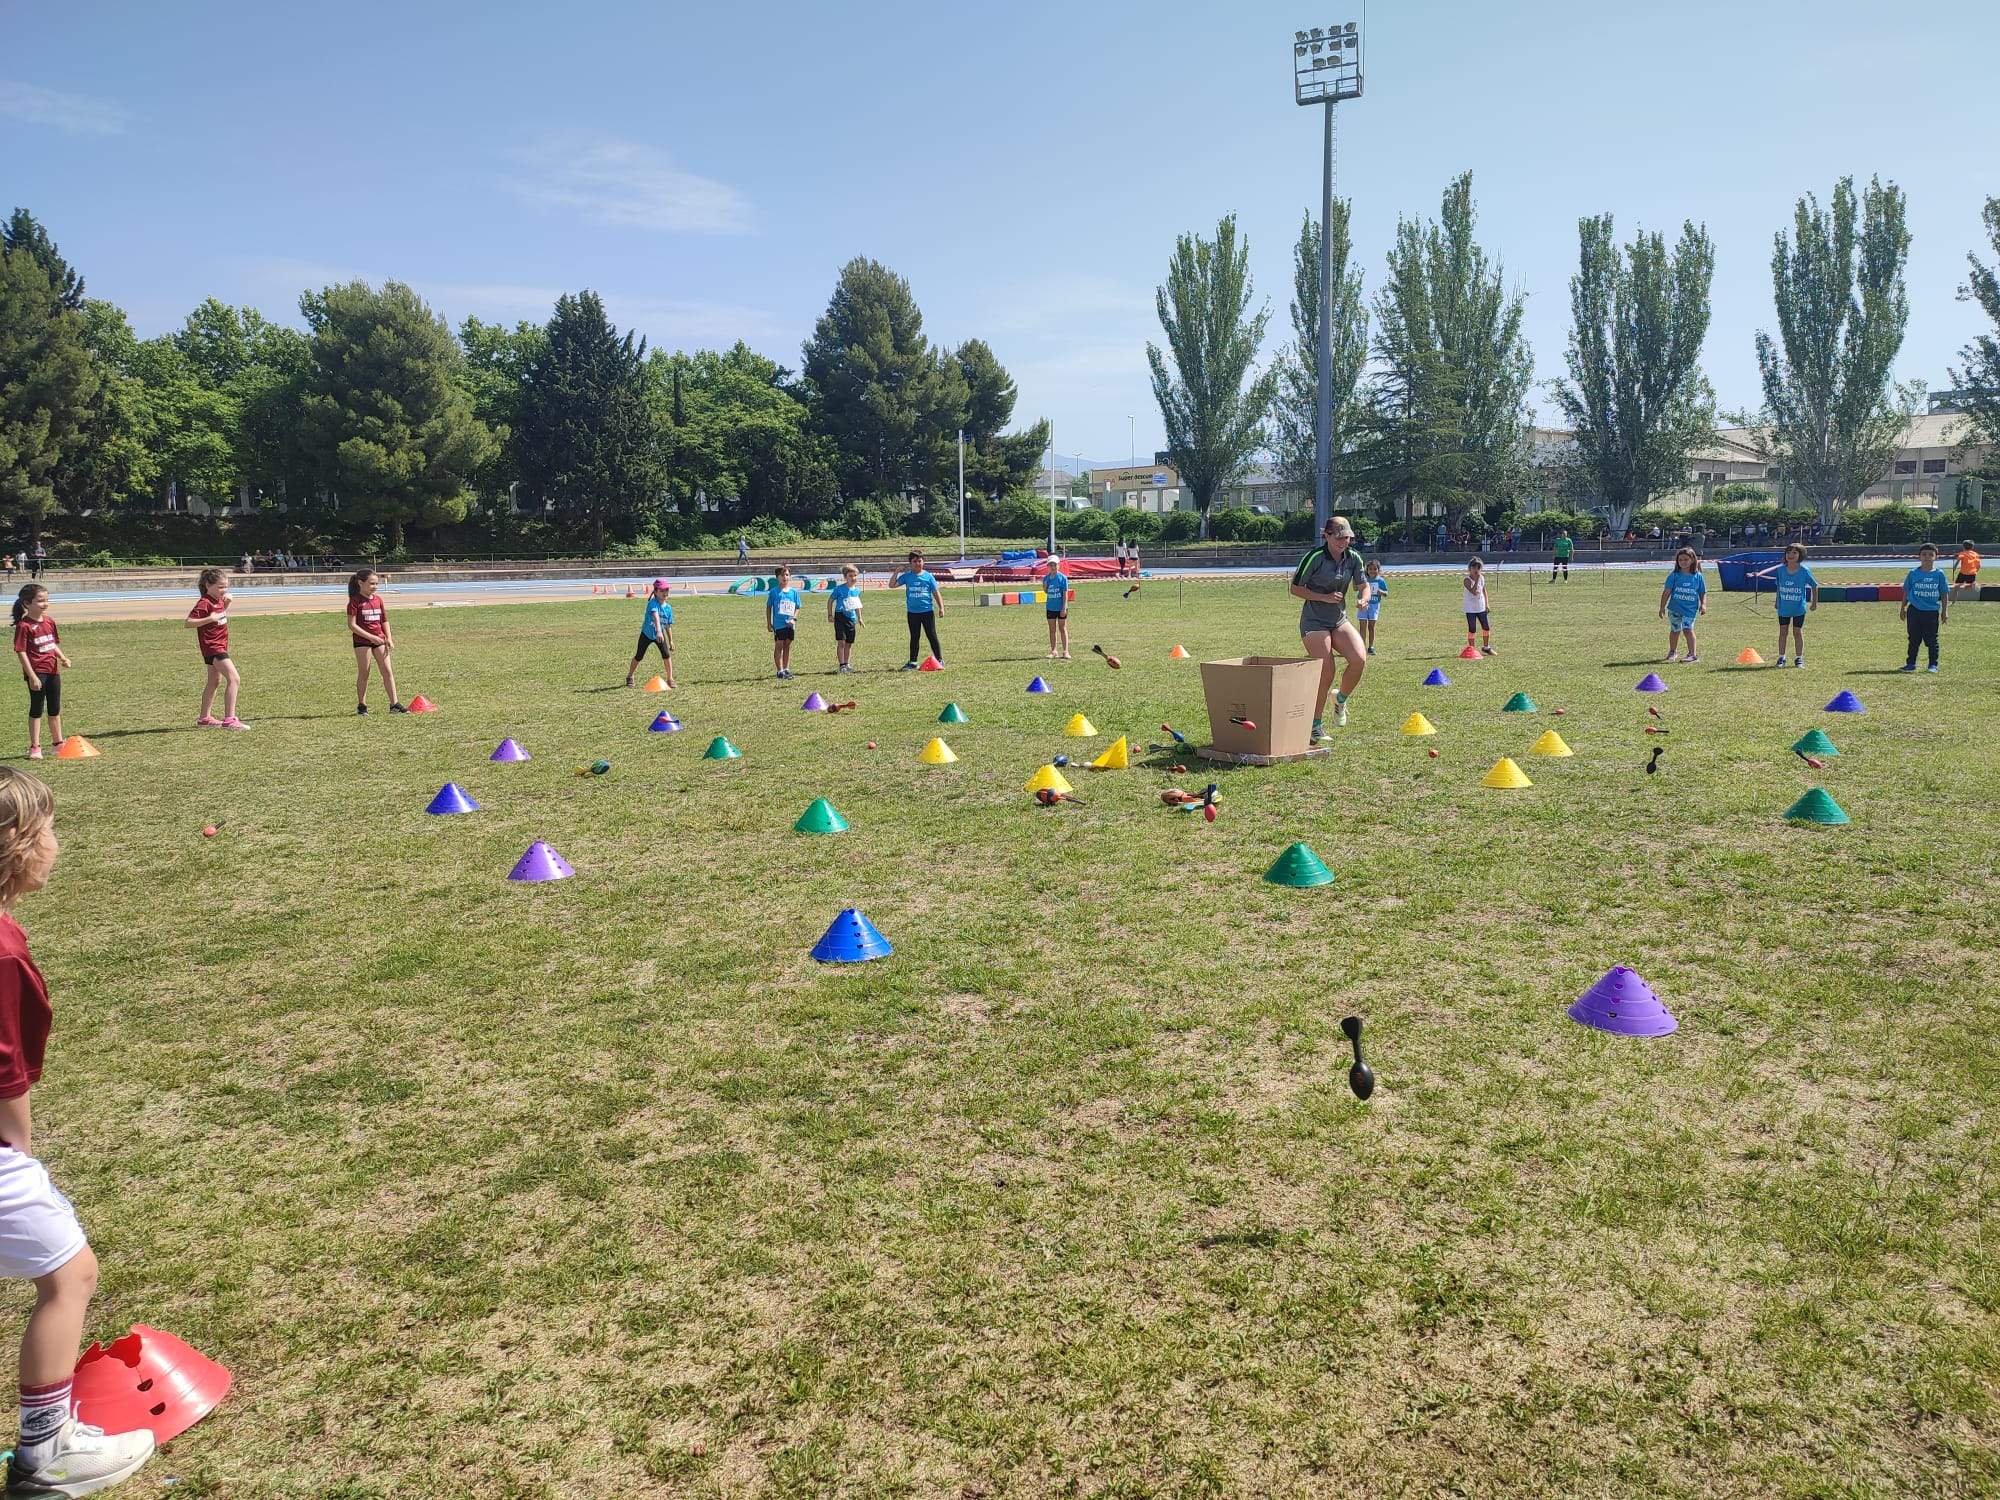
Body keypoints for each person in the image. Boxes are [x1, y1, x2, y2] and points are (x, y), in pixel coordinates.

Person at [0, 768, 158, 1496]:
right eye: (53, 830)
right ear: (21, 847)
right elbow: (5, 1076)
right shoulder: (2, 951)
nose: (59, 845)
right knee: (71, 1274)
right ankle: (47, 1449)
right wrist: (19, 1152)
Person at [1289, 515, 1372, 741]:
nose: (1343, 542)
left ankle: (1340, 700)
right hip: (1314, 622)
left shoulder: (1353, 558)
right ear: (1326, 535)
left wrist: (1364, 598)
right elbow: (1295, 589)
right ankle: (1314, 726)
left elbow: (1364, 586)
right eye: (1339, 537)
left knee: (1359, 659)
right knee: (1327, 671)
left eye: (1347, 538)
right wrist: (1322, 597)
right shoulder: (1314, 557)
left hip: (1338, 619)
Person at [10, 588, 70, 763]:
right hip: (37, 673)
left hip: (53, 671)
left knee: (54, 708)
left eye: (46, 600)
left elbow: (51, 644)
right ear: (27, 604)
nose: (45, 604)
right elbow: (21, 652)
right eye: (41, 600)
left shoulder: (49, 621)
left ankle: (58, 743)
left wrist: (63, 657)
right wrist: (32, 676)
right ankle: (35, 746)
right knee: (37, 709)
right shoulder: (24, 626)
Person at [186, 567, 247, 729]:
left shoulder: (218, 600)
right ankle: (230, 719)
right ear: (208, 585)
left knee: (214, 681)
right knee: (234, 679)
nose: (224, 590)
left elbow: (218, 618)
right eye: (220, 587)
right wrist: (209, 618)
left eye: (225, 586)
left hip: (218, 646)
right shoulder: (204, 602)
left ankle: (204, 718)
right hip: (214, 647)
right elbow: (188, 622)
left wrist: (226, 605)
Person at [346, 569, 404, 714]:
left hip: (379, 640)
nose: (375, 587)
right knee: (364, 673)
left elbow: (384, 620)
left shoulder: (378, 600)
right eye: (371, 584)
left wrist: (388, 638)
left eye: (376, 584)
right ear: (360, 583)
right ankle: (362, 705)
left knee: (387, 671)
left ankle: (394, 704)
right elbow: (352, 625)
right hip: (362, 641)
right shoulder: (355, 601)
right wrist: (370, 637)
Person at [1760, 543, 1817, 667]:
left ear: (1800, 555)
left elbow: (1814, 585)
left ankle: (1799, 658)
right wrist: (1776, 601)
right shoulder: (1780, 570)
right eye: (1788, 552)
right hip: (1784, 608)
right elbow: (1779, 586)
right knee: (1783, 631)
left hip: (1798, 608)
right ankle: (1781, 658)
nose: (1790, 555)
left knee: (1797, 632)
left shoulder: (1804, 571)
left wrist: (1814, 602)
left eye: (1794, 553)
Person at [1900, 543, 1949, 673]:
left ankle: (1933, 665)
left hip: (1931, 612)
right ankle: (1910, 664)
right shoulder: (1913, 573)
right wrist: (1903, 607)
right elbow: (1906, 591)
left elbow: (1944, 593)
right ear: (1919, 557)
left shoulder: (1939, 574)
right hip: (1914, 611)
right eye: (1924, 554)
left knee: (1932, 640)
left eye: (1930, 555)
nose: (1927, 557)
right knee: (1914, 639)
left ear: (1936, 557)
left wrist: (1944, 611)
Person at [892, 550, 942, 670]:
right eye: (914, 561)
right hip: (912, 613)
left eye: (919, 561)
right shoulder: (907, 576)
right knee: (914, 637)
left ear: (923, 562)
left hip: (927, 611)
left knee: (931, 635)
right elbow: (892, 585)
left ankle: (939, 660)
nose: (917, 563)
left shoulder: (928, 576)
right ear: (910, 563)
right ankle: (913, 662)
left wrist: (941, 607)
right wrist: (896, 572)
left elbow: (936, 592)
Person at [1658, 546, 1706, 663]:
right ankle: (1672, 652)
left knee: (1688, 629)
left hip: (1690, 610)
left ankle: (1692, 654)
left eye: (1686, 559)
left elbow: (1702, 592)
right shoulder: (1674, 575)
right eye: (1680, 560)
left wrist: (1703, 604)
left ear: (1692, 560)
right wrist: (1662, 607)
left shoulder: (1698, 576)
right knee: (1675, 630)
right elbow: (1667, 592)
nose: (1683, 562)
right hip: (1675, 609)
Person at [625, 579, 675, 689]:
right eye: (662, 590)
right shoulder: (653, 603)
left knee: (666, 655)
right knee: (639, 656)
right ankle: (630, 676)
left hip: (660, 635)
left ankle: (670, 678)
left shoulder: (668, 608)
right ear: (656, 592)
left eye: (666, 590)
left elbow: (667, 625)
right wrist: (658, 631)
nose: (665, 593)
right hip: (647, 634)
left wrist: (671, 640)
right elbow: (655, 616)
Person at [765, 565, 802, 680]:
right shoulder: (774, 592)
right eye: (782, 575)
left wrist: (794, 618)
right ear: (777, 577)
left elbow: (798, 607)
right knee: (779, 645)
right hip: (779, 624)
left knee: (787, 645)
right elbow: (769, 607)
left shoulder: (794, 592)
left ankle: (786, 669)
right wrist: (769, 623)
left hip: (790, 624)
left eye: (786, 575)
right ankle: (779, 671)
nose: (784, 577)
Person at [827, 565, 862, 674]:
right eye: (850, 576)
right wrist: (830, 614)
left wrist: (859, 618)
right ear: (845, 577)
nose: (853, 578)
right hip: (840, 616)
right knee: (841, 641)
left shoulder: (856, 590)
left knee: (849, 642)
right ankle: (842, 665)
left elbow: (857, 605)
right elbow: (830, 601)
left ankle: (847, 664)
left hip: (851, 618)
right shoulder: (839, 589)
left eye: (855, 575)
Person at [1462, 557, 1495, 656]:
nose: (1476, 570)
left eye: (1478, 568)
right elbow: (1474, 592)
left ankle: (1486, 647)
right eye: (1474, 568)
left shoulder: (1482, 578)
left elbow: (1484, 591)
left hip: (1480, 606)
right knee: (1472, 629)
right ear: (1470, 569)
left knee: (1486, 627)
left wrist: (1487, 604)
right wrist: (1476, 580)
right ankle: (1472, 650)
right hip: (1470, 608)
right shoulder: (1466, 580)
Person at [1355, 558, 1387, 656]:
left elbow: (1386, 593)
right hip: (1363, 605)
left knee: (1371, 627)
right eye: (1370, 569)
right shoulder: (1364, 579)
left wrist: (1380, 592)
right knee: (1362, 626)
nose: (1372, 571)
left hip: (1374, 605)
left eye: (1375, 569)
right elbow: (1356, 588)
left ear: (1378, 570)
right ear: (1367, 570)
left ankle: (1371, 646)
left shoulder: (1380, 580)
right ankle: (1362, 647)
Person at [1043, 552, 1072, 660]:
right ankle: (1053, 650)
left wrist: (1064, 608)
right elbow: (1046, 592)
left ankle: (1065, 651)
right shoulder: (1046, 578)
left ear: (1058, 565)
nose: (1053, 567)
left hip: (1061, 608)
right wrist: (1045, 586)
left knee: (1062, 629)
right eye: (1051, 565)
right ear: (1048, 567)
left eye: (1055, 565)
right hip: (1050, 607)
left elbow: (1065, 594)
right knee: (1052, 630)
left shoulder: (1063, 578)